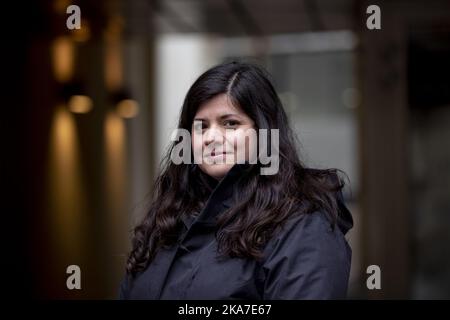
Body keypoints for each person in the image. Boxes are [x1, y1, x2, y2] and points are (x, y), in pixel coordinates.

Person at [119, 61, 353, 299]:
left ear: (264, 131)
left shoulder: (304, 225)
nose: (212, 137)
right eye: (201, 126)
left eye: (230, 123)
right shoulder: (169, 217)